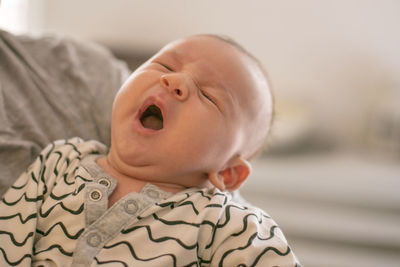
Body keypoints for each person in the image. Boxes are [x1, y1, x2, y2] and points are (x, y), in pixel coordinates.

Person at [0, 34, 301, 266]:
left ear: (227, 172)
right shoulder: (57, 162)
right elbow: (9, 237)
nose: (174, 80)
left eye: (209, 96)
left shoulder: (228, 224)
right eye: (164, 65)